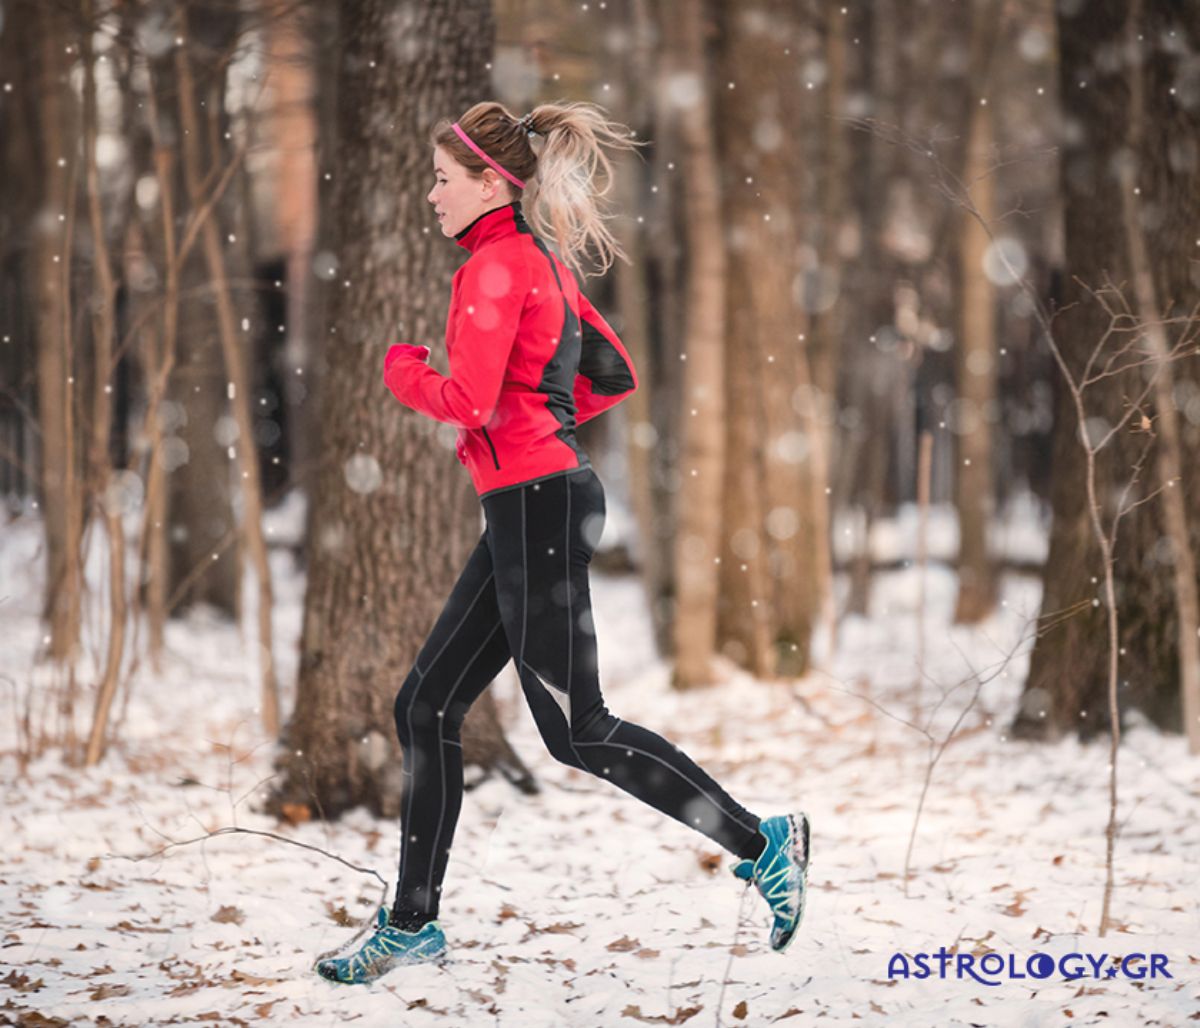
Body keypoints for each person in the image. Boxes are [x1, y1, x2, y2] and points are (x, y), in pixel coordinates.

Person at [315, 101, 810, 986]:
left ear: (488, 182)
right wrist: (543, 424)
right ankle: (411, 924)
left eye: (441, 179)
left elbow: (464, 399)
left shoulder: (497, 268)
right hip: (535, 502)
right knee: (425, 706)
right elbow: (610, 371)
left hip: (536, 505)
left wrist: (404, 369)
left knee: (577, 731)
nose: (431, 195)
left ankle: (762, 843)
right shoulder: (533, 261)